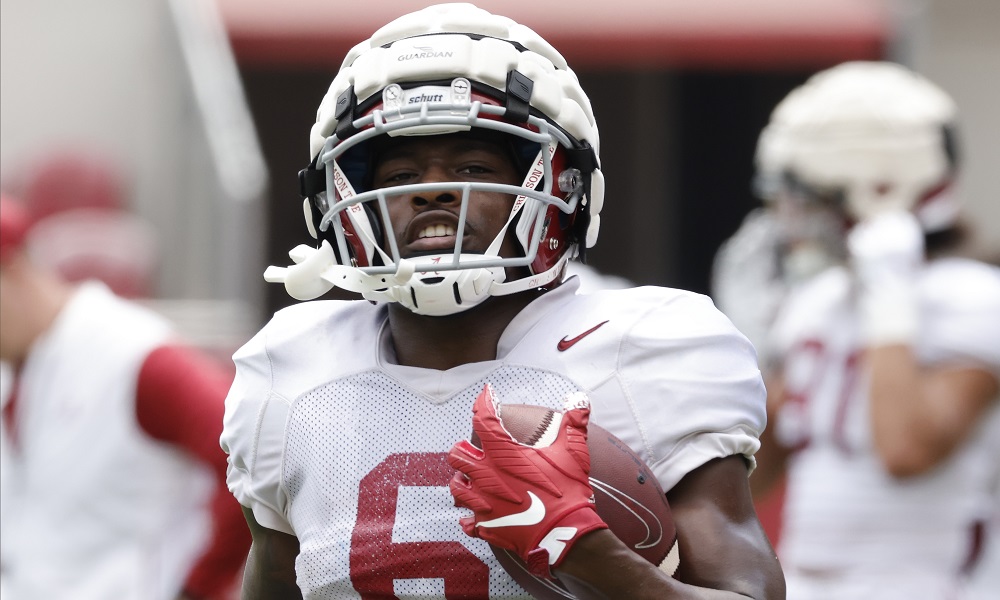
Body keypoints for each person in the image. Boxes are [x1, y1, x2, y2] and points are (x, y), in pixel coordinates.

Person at [222, 3, 784, 598]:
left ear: (561, 186)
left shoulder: (639, 351)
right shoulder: (291, 365)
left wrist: (593, 557)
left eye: (471, 164)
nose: (432, 190)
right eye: (398, 176)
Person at [734, 62, 1000, 599]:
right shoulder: (821, 301)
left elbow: (906, 450)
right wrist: (744, 358)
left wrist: (891, 303)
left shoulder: (971, 296)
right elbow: (750, 478)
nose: (789, 218)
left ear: (877, 186)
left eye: (807, 198)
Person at [0, 193, 251, 599]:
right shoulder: (20, 362)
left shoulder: (132, 354)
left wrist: (197, 588)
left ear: (12, 271)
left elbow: (251, 458)